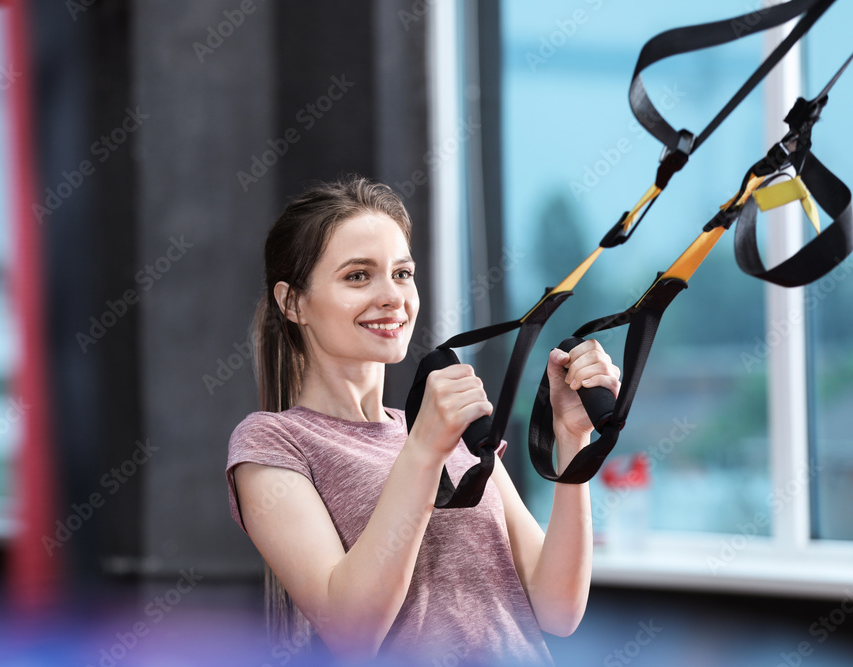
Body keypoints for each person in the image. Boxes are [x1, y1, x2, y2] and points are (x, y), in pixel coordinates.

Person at [225, 175, 621, 665]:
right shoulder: (274, 443)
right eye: (357, 276)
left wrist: (571, 438)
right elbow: (352, 630)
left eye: (402, 273)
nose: (392, 296)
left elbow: (558, 608)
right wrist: (423, 450)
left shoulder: (446, 429)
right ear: (293, 302)